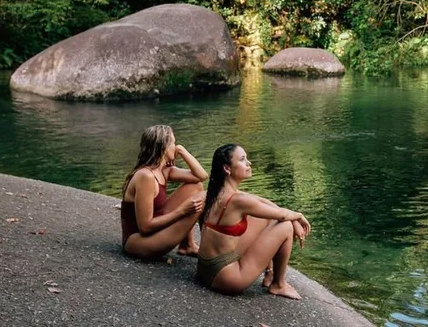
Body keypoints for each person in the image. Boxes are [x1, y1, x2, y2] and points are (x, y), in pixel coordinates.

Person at [196, 144, 311, 300]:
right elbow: (283, 217)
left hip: (205, 270)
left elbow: (263, 203)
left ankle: (269, 275)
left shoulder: (217, 193)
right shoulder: (238, 200)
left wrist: (293, 217)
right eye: (242, 159)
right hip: (226, 279)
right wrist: (298, 216)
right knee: (285, 227)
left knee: (266, 217)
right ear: (227, 168)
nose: (249, 163)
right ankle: (278, 285)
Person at [121, 125, 208, 258]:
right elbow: (145, 227)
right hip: (139, 241)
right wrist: (182, 211)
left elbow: (201, 176)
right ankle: (212, 251)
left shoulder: (163, 170)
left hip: (157, 229)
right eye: (173, 143)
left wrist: (183, 151)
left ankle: (188, 245)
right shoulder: (146, 176)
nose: (175, 146)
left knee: (196, 187)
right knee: (205, 197)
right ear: (163, 147)